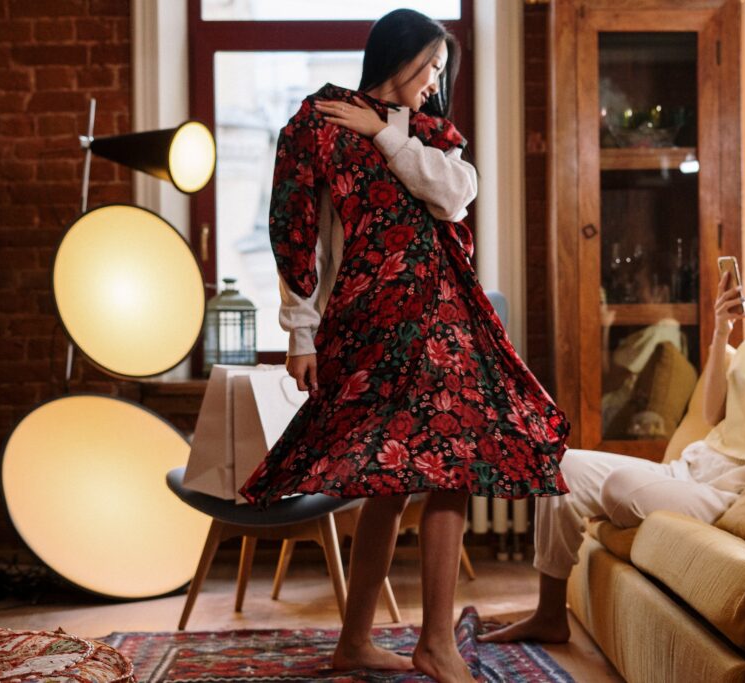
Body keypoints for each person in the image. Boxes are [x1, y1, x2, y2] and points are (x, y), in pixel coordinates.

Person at [238, 9, 569, 682]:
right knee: (387, 481)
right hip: (369, 323)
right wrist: (300, 334)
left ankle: (435, 640)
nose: (435, 84)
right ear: (399, 56)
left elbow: (454, 197)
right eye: (430, 69)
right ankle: (356, 641)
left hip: (444, 320)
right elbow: (293, 232)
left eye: (442, 74)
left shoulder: (425, 132)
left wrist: (387, 135)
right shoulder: (318, 122)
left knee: (452, 463)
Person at [480, 213, 745, 644]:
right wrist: (722, 331)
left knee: (620, 486)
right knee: (560, 466)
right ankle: (549, 614)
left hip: (733, 488)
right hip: (691, 466)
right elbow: (713, 410)